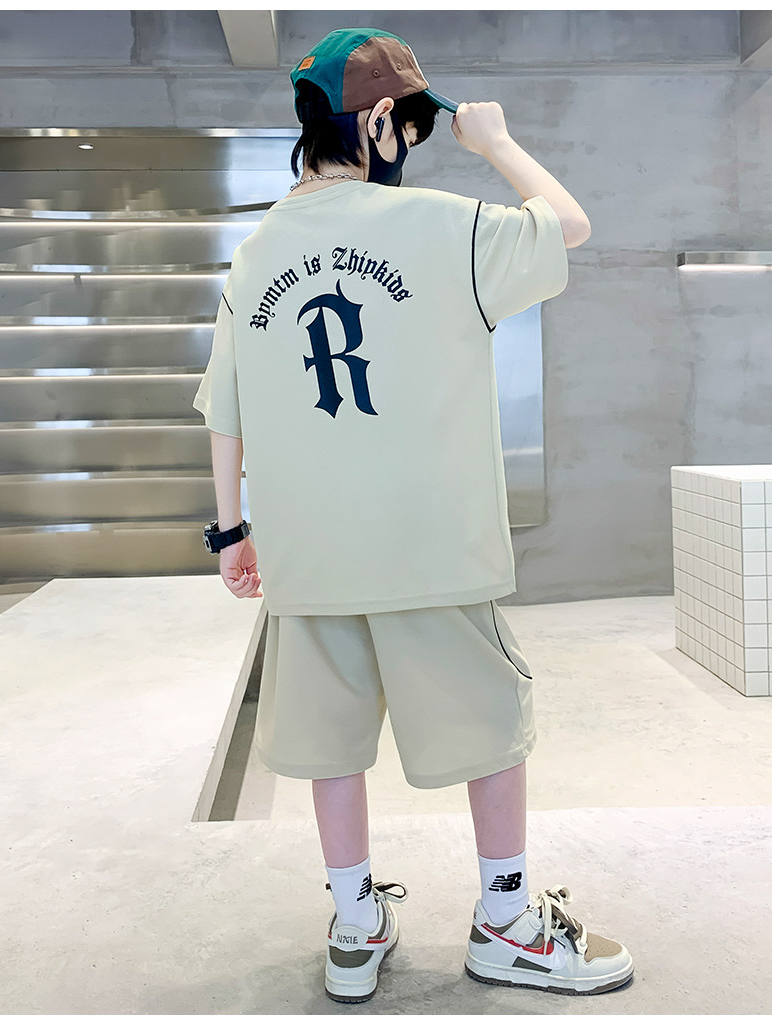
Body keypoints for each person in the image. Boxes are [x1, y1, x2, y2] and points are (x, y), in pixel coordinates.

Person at [192, 26, 633, 1005]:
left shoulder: (256, 254)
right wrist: (495, 142)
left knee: (328, 743)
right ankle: (506, 924)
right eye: (416, 130)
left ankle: (355, 926)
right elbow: (566, 225)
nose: (417, 147)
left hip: (310, 555)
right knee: (486, 728)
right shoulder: (443, 225)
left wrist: (233, 533)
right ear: (383, 118)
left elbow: (225, 408)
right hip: (431, 547)